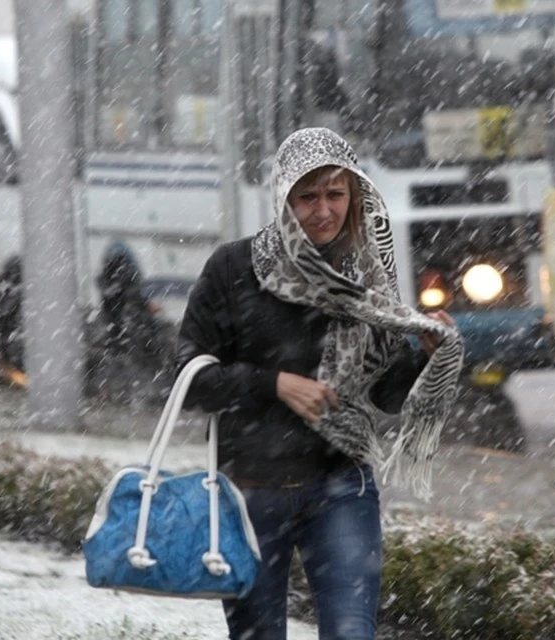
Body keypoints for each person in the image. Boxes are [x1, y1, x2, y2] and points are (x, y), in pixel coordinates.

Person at [176, 127, 463, 640]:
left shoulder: (367, 277)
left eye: (335, 194)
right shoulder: (234, 268)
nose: (323, 210)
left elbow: (386, 394)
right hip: (250, 491)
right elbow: (189, 377)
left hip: (340, 486)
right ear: (283, 197)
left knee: (352, 633)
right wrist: (273, 384)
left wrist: (425, 359)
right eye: (307, 196)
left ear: (354, 196)